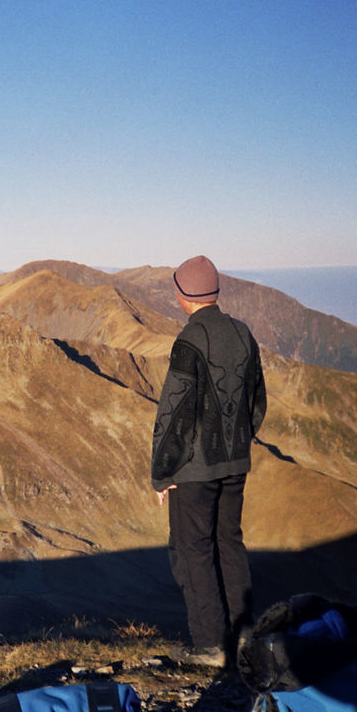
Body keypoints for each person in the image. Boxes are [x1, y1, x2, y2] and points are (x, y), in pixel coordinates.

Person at [150, 255, 267, 667]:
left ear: (184, 295)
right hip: (235, 463)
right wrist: (238, 442)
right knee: (230, 544)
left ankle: (210, 646)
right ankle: (245, 638)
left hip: (194, 471)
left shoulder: (189, 341)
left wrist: (163, 474)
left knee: (192, 550)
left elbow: (174, 412)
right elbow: (257, 401)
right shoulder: (242, 332)